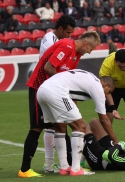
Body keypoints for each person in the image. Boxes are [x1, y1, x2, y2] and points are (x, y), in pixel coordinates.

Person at [18, 31, 101, 178]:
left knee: (59, 125)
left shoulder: (77, 55)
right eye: (91, 49)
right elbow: (49, 67)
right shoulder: (66, 45)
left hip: (55, 92)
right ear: (86, 44)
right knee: (37, 127)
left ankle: (64, 166)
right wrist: (59, 88)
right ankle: (24, 169)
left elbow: (68, 80)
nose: (90, 52)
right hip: (40, 87)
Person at [37, 69, 120, 175]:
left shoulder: (89, 76)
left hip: (42, 90)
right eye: (109, 92)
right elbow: (104, 119)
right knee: (80, 126)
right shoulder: (98, 87)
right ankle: (76, 169)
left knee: (60, 127)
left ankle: (64, 167)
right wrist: (115, 140)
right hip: (56, 92)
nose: (106, 95)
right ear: (106, 84)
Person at [39, 15, 75, 172]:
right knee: (53, 125)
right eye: (67, 33)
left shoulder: (57, 40)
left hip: (52, 85)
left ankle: (52, 164)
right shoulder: (50, 40)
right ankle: (52, 164)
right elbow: (52, 64)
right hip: (47, 85)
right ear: (60, 29)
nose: (69, 36)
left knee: (54, 125)